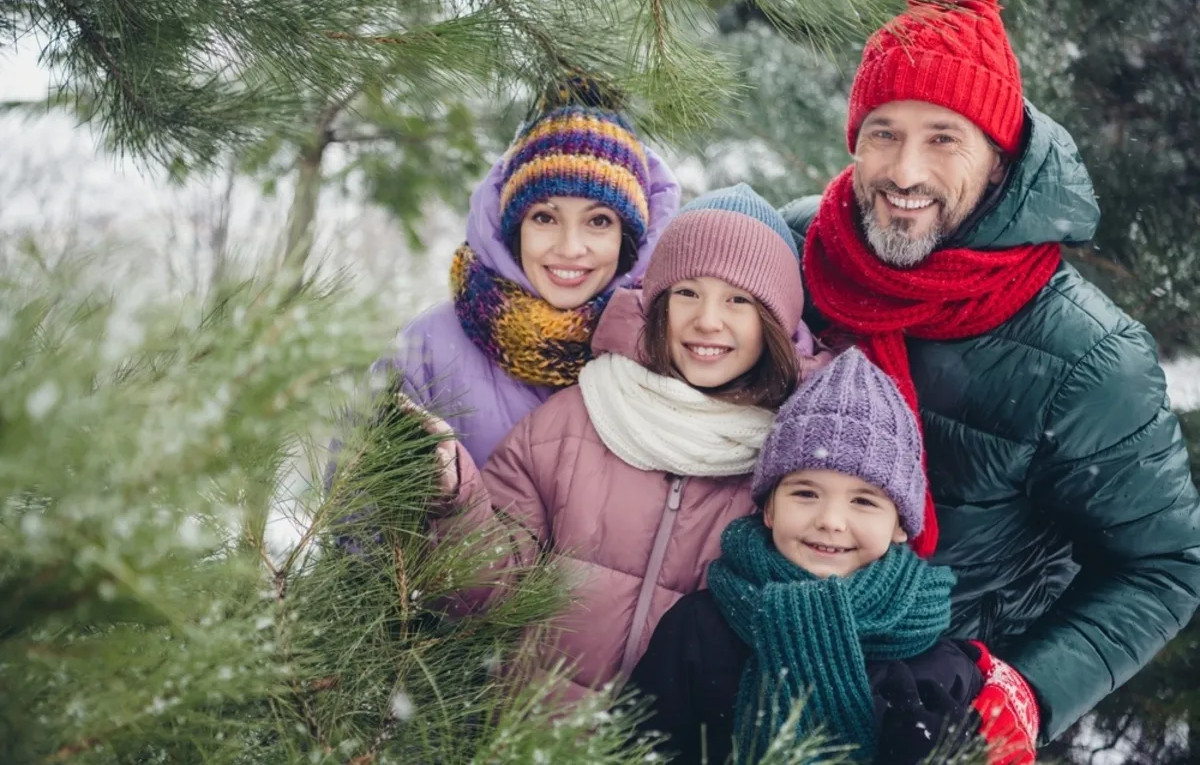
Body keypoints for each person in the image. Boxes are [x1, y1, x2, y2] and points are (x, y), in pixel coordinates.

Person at [778, 0, 1200, 748]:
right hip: (749, 661)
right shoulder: (799, 249)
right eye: (885, 133)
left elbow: (1164, 565)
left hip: (934, 713)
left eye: (944, 139)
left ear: (1000, 157)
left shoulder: (1088, 355)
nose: (905, 173)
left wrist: (1026, 691)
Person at [435, 184, 828, 702]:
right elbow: (483, 595)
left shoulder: (795, 457)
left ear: (776, 322)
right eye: (687, 292)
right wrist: (454, 499)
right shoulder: (571, 422)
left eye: (739, 300)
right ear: (657, 304)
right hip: (539, 741)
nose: (708, 320)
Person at [629, 348, 986, 765]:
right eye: (805, 493)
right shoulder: (699, 628)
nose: (831, 520)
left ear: (900, 524)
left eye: (864, 501)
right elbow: (632, 751)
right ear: (769, 507)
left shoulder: (935, 661)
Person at [383, 75, 680, 465]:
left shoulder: (663, 345)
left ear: (627, 236)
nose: (570, 248)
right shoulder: (429, 347)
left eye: (598, 221)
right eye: (545, 218)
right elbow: (360, 509)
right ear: (514, 227)